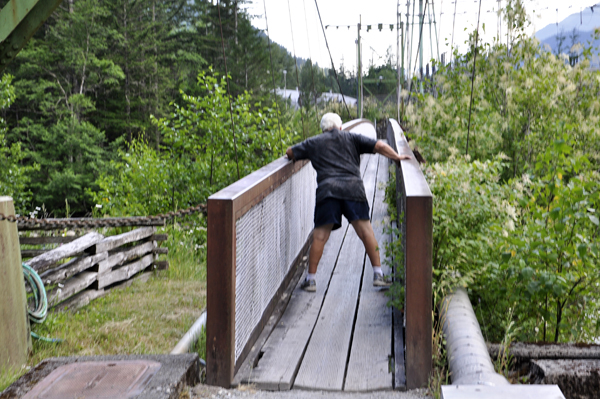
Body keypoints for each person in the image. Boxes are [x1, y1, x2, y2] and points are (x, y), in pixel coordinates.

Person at [286, 113, 411, 292]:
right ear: (341, 127)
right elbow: (380, 145)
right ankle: (378, 275)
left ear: (323, 129)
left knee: (320, 236)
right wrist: (397, 158)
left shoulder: (314, 142)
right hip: (353, 190)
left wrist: (298, 154)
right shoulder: (351, 137)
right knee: (366, 232)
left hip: (328, 192)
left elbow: (290, 152)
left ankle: (311, 280)